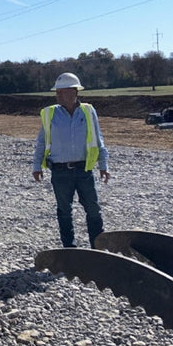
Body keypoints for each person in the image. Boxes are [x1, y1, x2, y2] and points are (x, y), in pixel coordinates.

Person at [31, 72, 110, 248]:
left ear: (74, 92)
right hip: (60, 172)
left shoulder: (88, 111)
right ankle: (69, 249)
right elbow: (42, 141)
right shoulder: (50, 114)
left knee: (93, 210)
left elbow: (98, 139)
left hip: (84, 170)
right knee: (64, 211)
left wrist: (104, 165)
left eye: (62, 91)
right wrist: (37, 166)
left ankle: (98, 248)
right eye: (57, 92)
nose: (58, 95)